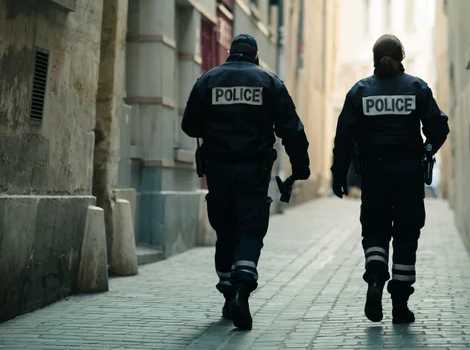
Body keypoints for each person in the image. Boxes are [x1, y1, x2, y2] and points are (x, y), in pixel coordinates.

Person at [181, 33, 311, 330]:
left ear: (230, 54)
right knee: (249, 230)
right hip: (253, 171)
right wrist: (301, 168)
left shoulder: (208, 80)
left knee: (225, 230)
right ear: (255, 57)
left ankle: (228, 293)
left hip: (218, 170)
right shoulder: (270, 83)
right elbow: (292, 129)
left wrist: (214, 126)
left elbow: (189, 126)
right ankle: (241, 289)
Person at [330, 34, 449, 324]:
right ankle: (400, 304)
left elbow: (344, 137)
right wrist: (427, 149)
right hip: (408, 173)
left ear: (374, 58)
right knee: (406, 234)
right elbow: (439, 127)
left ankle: (375, 276)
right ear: (402, 57)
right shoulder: (416, 88)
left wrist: (339, 174)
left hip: (374, 174)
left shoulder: (360, 91)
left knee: (374, 229)